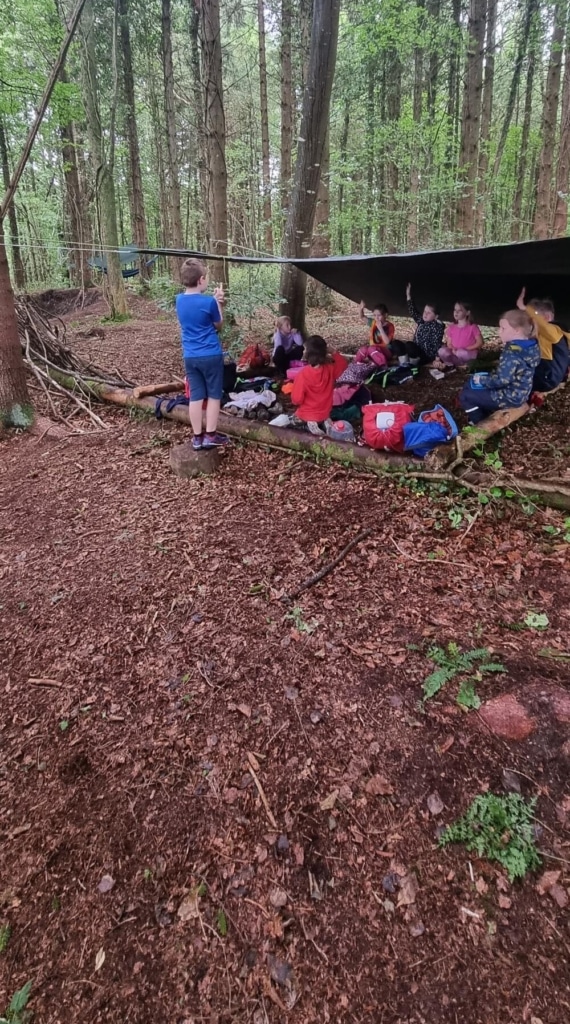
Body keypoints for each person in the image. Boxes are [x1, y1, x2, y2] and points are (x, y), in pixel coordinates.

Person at [176, 257, 229, 450]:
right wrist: (218, 303)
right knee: (214, 396)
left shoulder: (179, 300)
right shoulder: (209, 302)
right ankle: (211, 435)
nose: (206, 281)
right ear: (200, 280)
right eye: (205, 278)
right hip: (211, 354)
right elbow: (219, 325)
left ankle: (197, 437)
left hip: (190, 356)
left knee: (196, 397)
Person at [459, 309, 540, 424]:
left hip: (510, 396)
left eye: (503, 328)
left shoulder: (512, 353)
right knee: (470, 384)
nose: (499, 332)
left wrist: (481, 380)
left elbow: (502, 380)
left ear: (516, 330)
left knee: (465, 396)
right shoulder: (530, 346)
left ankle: (479, 424)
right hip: (521, 391)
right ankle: (483, 406)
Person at [516, 288, 570, 393]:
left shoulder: (555, 331)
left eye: (533, 316)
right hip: (547, 375)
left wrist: (524, 308)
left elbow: (543, 326)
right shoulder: (546, 334)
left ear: (546, 317)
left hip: (547, 378)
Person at [291, 335, 348, 435]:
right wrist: (334, 352)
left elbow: (296, 400)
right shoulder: (330, 369)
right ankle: (324, 423)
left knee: (288, 420)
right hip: (325, 413)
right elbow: (343, 365)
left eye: (305, 349)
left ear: (309, 353)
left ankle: (308, 425)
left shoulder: (303, 375)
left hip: (307, 414)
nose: (303, 351)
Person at [391, 283, 445, 366]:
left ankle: (412, 366)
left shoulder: (437, 327)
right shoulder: (421, 321)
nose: (425, 314)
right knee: (395, 343)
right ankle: (404, 364)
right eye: (424, 311)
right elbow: (413, 311)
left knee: (410, 345)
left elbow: (438, 344)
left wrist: (437, 359)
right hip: (414, 350)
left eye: (429, 313)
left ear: (436, 316)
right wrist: (408, 295)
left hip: (425, 355)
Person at [436, 301, 483, 368]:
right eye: (455, 310)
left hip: (467, 355)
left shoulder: (472, 327)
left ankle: (466, 366)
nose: (456, 312)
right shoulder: (451, 327)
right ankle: (449, 365)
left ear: (467, 313)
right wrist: (453, 349)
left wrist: (466, 348)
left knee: (461, 352)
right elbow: (449, 343)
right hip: (455, 354)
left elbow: (480, 342)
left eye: (460, 310)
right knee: (442, 351)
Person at [356, 301, 395, 368]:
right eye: (374, 315)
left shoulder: (390, 326)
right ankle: (356, 365)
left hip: (386, 351)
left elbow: (387, 342)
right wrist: (361, 309)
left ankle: (383, 366)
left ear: (385, 315)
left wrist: (380, 328)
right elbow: (362, 317)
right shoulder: (373, 322)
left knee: (372, 349)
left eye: (379, 315)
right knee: (364, 349)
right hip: (373, 351)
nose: (376, 318)